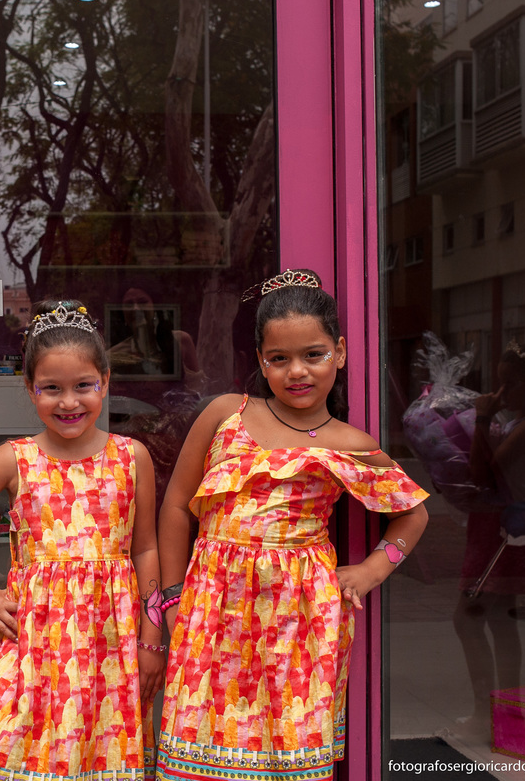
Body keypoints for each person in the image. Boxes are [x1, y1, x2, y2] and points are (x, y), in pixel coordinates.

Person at [155, 270, 430, 781]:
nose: (296, 371)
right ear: (261, 361)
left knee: (289, 754)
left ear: (339, 353)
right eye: (279, 359)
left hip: (301, 618)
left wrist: (371, 571)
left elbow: (413, 513)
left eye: (314, 355)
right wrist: (172, 597)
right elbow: (175, 507)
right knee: (200, 748)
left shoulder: (352, 443)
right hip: (213, 605)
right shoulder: (226, 413)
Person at [0, 299, 164, 781]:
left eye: (83, 386)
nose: (68, 402)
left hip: (110, 644)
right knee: (6, 748)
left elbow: (145, 549)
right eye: (51, 388)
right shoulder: (14, 459)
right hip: (32, 642)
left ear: (105, 383)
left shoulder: (132, 457)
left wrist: (152, 637)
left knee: (96, 754)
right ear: (30, 389)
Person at [454, 342, 525, 734]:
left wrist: (482, 419)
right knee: (500, 621)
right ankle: (507, 715)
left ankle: (488, 713)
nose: (501, 394)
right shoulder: (519, 421)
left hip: (504, 529)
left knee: (468, 618)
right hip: (496, 525)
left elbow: (487, 473)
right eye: (499, 384)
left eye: (510, 384)